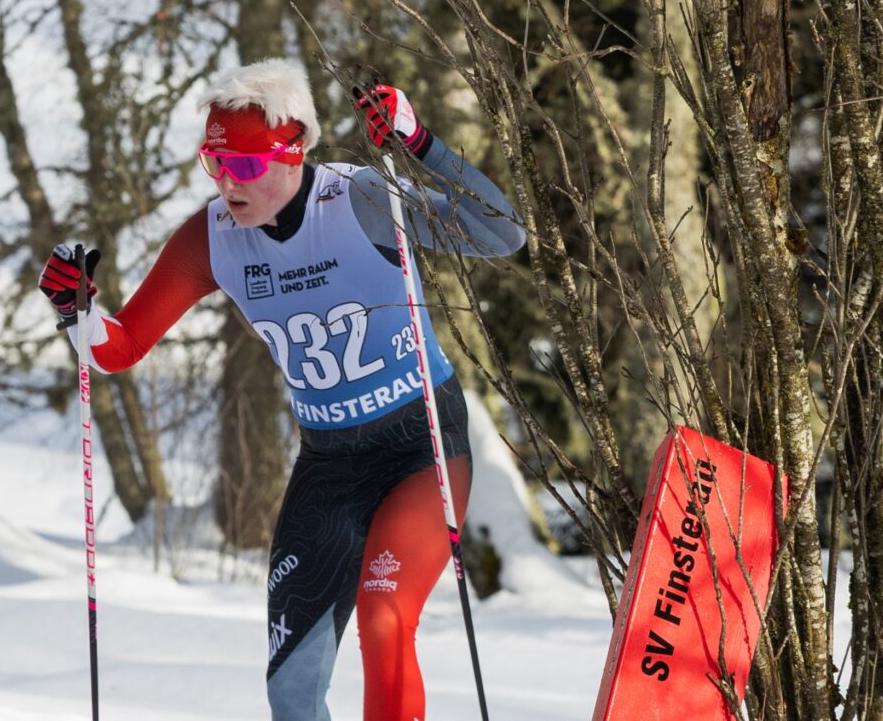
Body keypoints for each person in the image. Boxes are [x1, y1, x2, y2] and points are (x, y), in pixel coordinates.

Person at [33, 59, 525, 721]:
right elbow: (119, 349)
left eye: (243, 165)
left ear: (293, 153)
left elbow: (502, 234)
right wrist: (75, 308)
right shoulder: (211, 238)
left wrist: (419, 142)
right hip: (329, 463)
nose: (226, 182)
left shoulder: (361, 200)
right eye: (214, 163)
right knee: (291, 686)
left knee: (384, 619)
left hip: (419, 445)